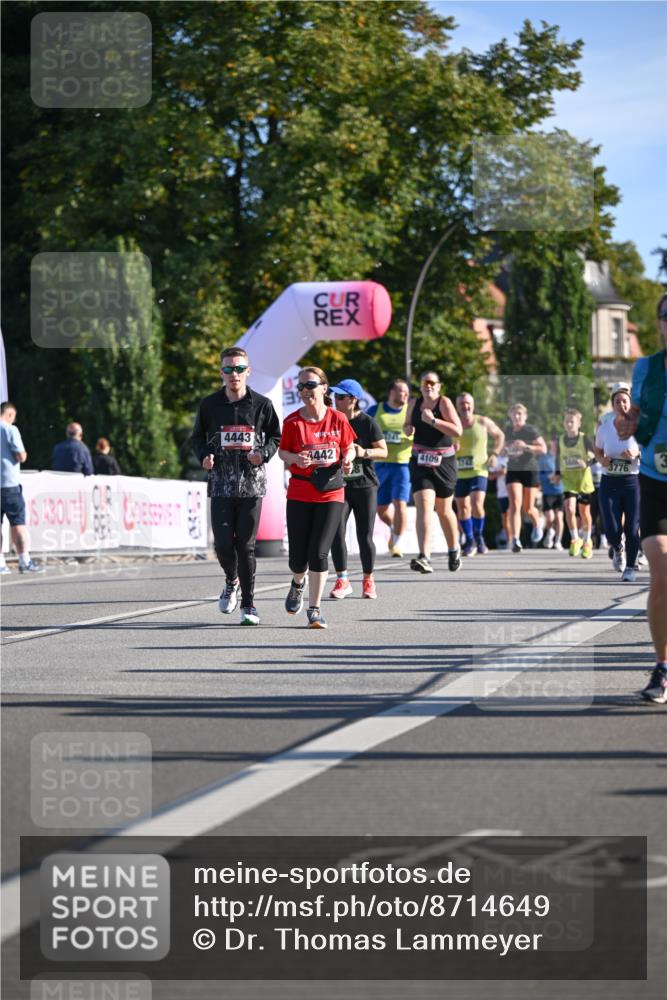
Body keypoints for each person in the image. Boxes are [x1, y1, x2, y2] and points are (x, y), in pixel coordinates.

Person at [191, 346, 281, 626]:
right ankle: (232, 579)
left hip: (251, 486)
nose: (234, 374)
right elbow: (197, 438)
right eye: (228, 369)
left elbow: (275, 437)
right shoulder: (210, 404)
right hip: (220, 484)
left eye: (239, 369)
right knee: (222, 546)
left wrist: (263, 454)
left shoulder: (262, 404)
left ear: (248, 371)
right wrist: (204, 455)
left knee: (246, 546)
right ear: (221, 372)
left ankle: (249, 604)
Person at [616, 293, 667, 703]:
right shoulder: (646, 367)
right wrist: (626, 422)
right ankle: (662, 668)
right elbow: (636, 420)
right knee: (661, 572)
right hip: (655, 479)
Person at [279, 366, 356, 628]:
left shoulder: (338, 419)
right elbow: (282, 453)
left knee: (319, 553)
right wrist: (295, 458)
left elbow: (349, 448)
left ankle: (315, 609)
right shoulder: (292, 422)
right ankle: (297, 582)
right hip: (300, 492)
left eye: (310, 385)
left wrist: (348, 461)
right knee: (298, 558)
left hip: (331, 492)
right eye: (300, 386)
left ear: (324, 388)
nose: (304, 391)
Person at [328, 379, 387, 599]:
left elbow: (383, 451)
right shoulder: (332, 421)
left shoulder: (368, 423)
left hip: (365, 486)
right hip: (339, 485)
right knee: (336, 532)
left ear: (353, 400)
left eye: (341, 397)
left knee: (365, 535)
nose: (336, 400)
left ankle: (368, 579)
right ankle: (342, 579)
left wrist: (363, 452)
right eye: (335, 396)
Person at [404, 371, 462, 574]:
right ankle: (424, 556)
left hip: (444, 461)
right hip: (420, 461)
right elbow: (406, 425)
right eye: (424, 382)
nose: (428, 385)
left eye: (432, 383)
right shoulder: (414, 403)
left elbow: (458, 431)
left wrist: (433, 421)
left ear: (439, 386)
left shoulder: (443, 403)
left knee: (444, 510)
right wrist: (408, 428)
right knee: (424, 506)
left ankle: (454, 549)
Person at [593, 383, 641, 582]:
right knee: (612, 527)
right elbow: (597, 450)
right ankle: (617, 547)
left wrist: (636, 452)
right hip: (609, 481)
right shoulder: (604, 428)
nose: (621, 404)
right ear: (612, 406)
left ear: (630, 404)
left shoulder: (639, 427)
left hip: (632, 481)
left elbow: (646, 446)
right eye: (617, 401)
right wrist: (602, 459)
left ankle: (630, 567)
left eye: (624, 401)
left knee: (631, 527)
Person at [453, 392, 505, 556]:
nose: (465, 406)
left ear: (473, 405)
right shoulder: (453, 425)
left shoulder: (482, 421)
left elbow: (500, 435)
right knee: (463, 507)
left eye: (468, 403)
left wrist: (495, 454)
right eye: (462, 403)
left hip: (479, 470)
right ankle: (470, 540)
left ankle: (478, 536)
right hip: (459, 472)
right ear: (457, 407)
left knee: (476, 504)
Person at [367, 379, 413, 557]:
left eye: (407, 393)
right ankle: (395, 528)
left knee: (400, 503)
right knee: (381, 508)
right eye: (402, 392)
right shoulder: (375, 411)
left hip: (402, 464)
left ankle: (396, 543)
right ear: (391, 392)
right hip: (379, 464)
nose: (405, 396)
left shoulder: (410, 412)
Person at [0, 401, 44, 574]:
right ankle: (24, 561)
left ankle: (1, 564)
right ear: (9, 414)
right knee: (18, 523)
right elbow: (21, 456)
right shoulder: (10, 430)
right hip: (9, 484)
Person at [502, 403, 547, 552]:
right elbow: (502, 448)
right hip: (513, 470)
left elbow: (543, 449)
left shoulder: (530, 431)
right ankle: (515, 539)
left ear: (525, 416)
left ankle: (537, 523)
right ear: (510, 416)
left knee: (528, 508)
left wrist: (525, 447)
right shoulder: (507, 431)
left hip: (529, 470)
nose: (517, 417)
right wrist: (503, 452)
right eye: (514, 414)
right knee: (514, 504)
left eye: (520, 414)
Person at [552, 408, 596, 559]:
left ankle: (587, 540)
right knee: (569, 508)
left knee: (584, 512)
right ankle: (575, 538)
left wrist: (587, 463)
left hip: (583, 480)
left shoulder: (584, 439)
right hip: (568, 480)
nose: (569, 424)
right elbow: (558, 458)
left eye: (572, 421)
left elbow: (598, 454)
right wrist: (557, 474)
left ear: (578, 423)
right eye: (567, 421)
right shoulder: (560, 440)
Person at [538, 445, 564, 549]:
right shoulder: (544, 459)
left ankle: (558, 541)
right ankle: (550, 532)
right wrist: (548, 477)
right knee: (550, 517)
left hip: (561, 492)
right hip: (548, 492)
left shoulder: (563, 458)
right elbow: (538, 475)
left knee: (559, 517)